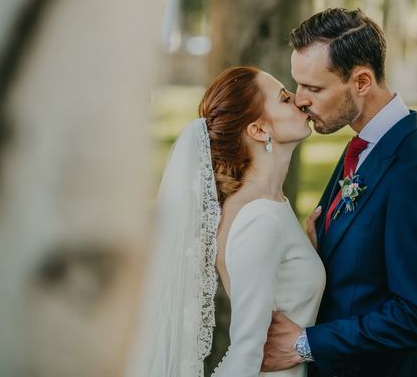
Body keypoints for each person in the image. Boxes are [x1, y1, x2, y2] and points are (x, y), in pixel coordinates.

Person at [261, 8, 417, 377]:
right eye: (298, 83)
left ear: (362, 82)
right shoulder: (363, 145)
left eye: (314, 88)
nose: (300, 99)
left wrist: (305, 343)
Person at [126, 66, 325, 377]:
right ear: (259, 130)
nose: (300, 101)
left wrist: (309, 250)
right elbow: (247, 352)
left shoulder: (268, 204)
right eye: (285, 99)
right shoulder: (259, 218)